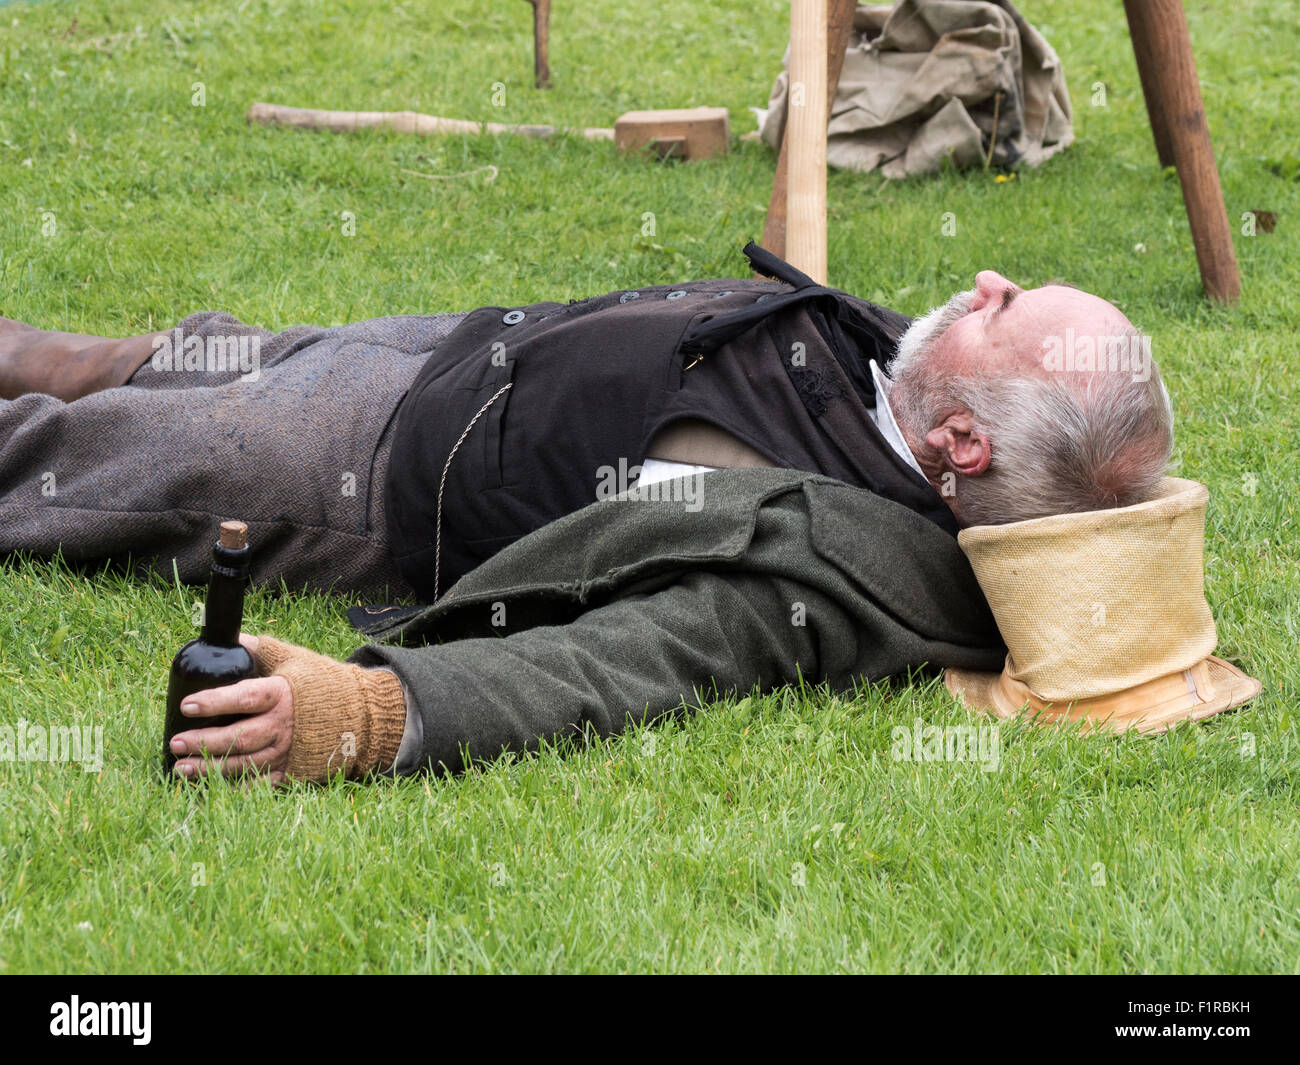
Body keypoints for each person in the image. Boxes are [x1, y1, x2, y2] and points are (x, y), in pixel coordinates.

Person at [0, 243, 1174, 783]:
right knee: (122, 362)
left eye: (1004, 312)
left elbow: (626, 661)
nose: (983, 283)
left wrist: (361, 714)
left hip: (377, 466)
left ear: (957, 445)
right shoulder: (924, 393)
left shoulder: (835, 559)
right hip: (458, 355)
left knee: (59, 462)